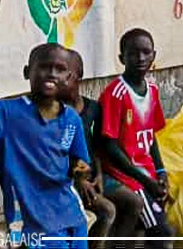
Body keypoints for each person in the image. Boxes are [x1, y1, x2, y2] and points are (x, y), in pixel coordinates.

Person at [0, 44, 90, 248]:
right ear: (26, 72)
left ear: (68, 77)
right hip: (33, 218)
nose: (51, 74)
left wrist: (81, 172)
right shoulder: (6, 113)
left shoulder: (71, 119)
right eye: (44, 67)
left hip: (70, 211)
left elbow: (78, 160)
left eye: (59, 69)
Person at [99, 29, 174, 243]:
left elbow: (150, 137)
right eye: (133, 53)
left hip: (146, 174)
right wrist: (145, 180)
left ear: (154, 55)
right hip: (127, 176)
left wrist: (160, 171)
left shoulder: (152, 90)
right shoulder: (116, 94)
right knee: (163, 235)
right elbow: (109, 146)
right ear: (122, 58)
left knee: (152, 225)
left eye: (146, 52)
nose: (140, 58)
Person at [61, 50, 117, 249]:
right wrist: (79, 180)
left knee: (132, 201)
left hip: (92, 176)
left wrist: (99, 174)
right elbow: (58, 155)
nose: (61, 79)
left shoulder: (93, 108)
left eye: (68, 74)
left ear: (80, 76)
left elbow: (96, 147)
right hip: (70, 180)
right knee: (107, 210)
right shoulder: (56, 112)